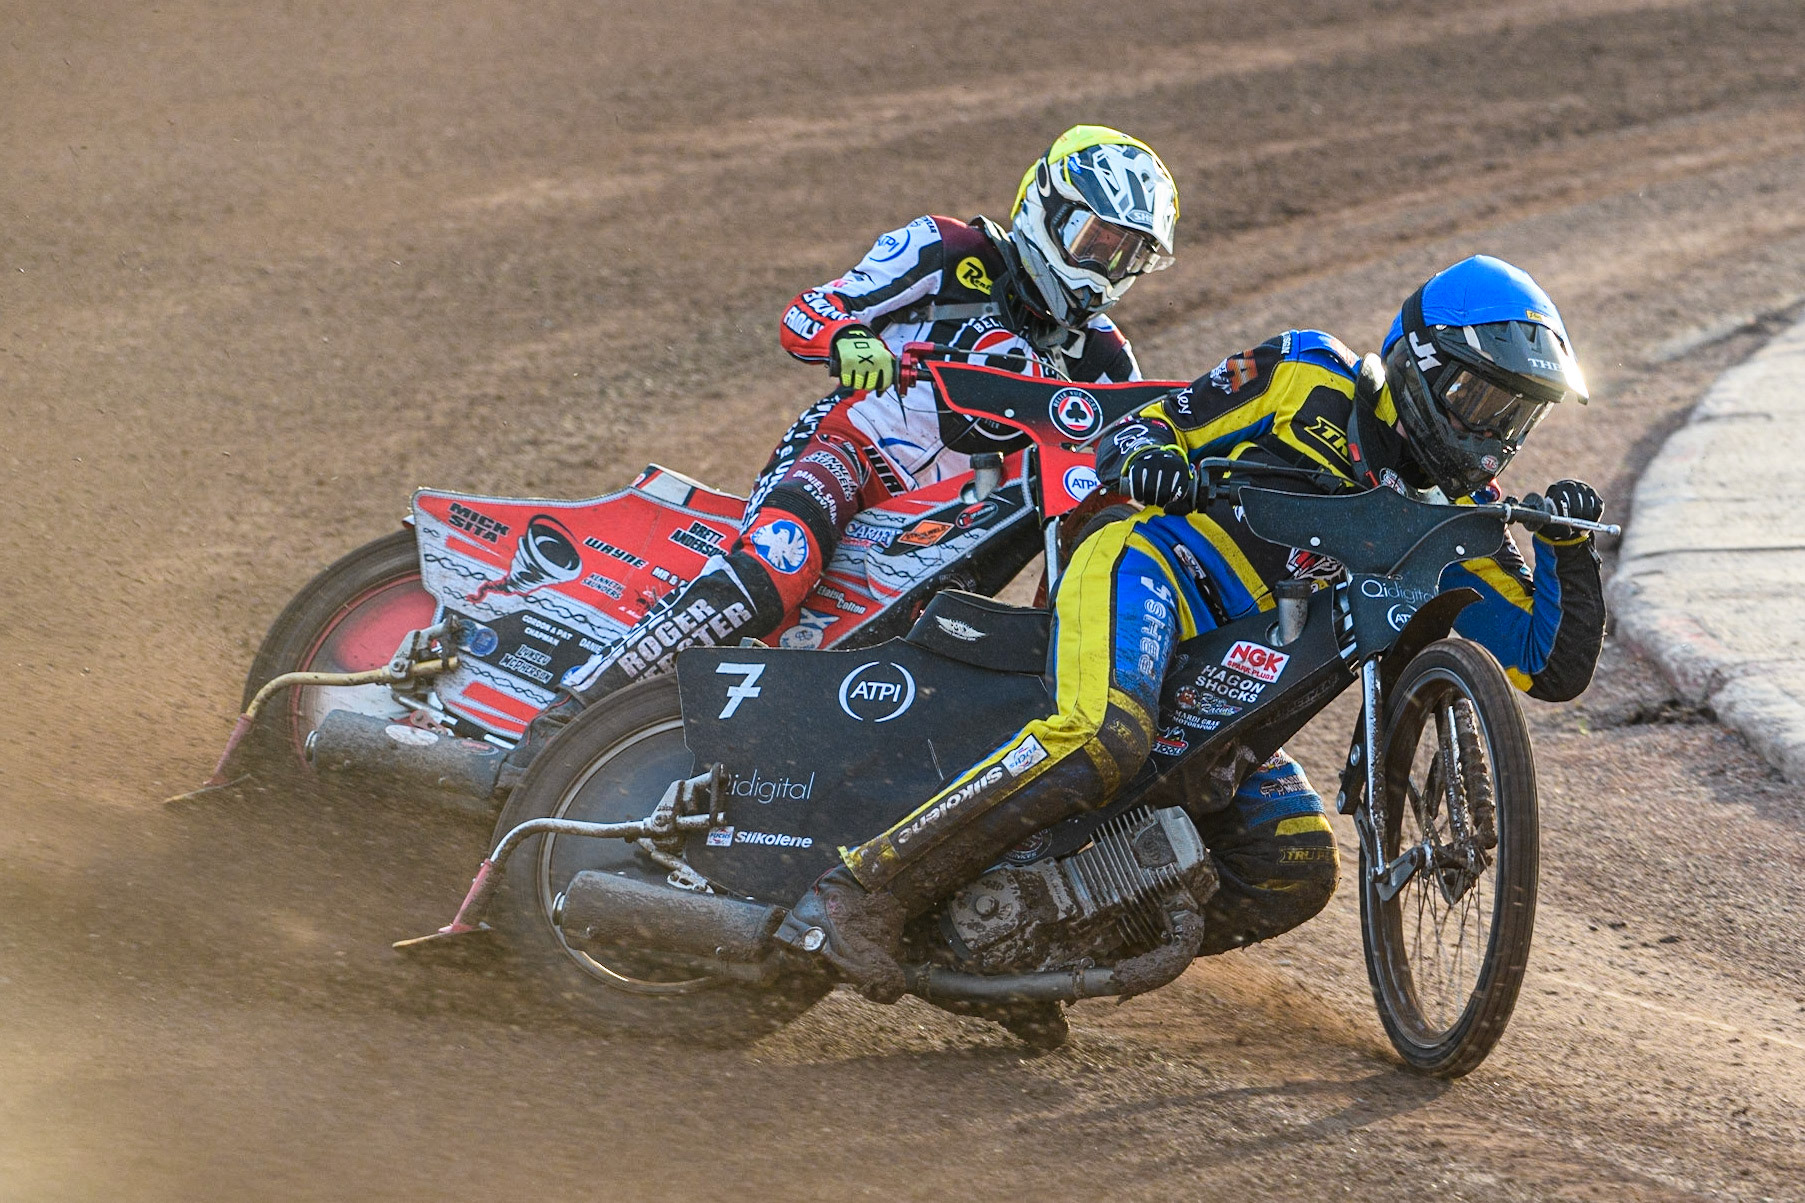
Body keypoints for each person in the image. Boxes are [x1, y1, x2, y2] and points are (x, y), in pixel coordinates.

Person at [789, 255, 1607, 1021]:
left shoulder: (1459, 526)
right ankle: (862, 891)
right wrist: (1151, 458)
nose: (1496, 431)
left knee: (1292, 864)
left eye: (1517, 413)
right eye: (1483, 400)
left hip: (1237, 691)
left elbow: (1544, 665)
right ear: (1420, 366)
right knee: (1105, 731)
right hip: (1146, 567)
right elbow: (1148, 425)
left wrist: (1567, 549)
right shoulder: (1309, 375)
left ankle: (1016, 958)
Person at [499, 125, 1181, 783]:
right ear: (1046, 206)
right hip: (849, 456)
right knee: (777, 570)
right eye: (1095, 239)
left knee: (906, 669)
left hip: (952, 521)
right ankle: (556, 730)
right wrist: (848, 341)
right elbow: (810, 310)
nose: (1105, 266)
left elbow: (1120, 458)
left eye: (1125, 253)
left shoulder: (1105, 357)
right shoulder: (949, 248)